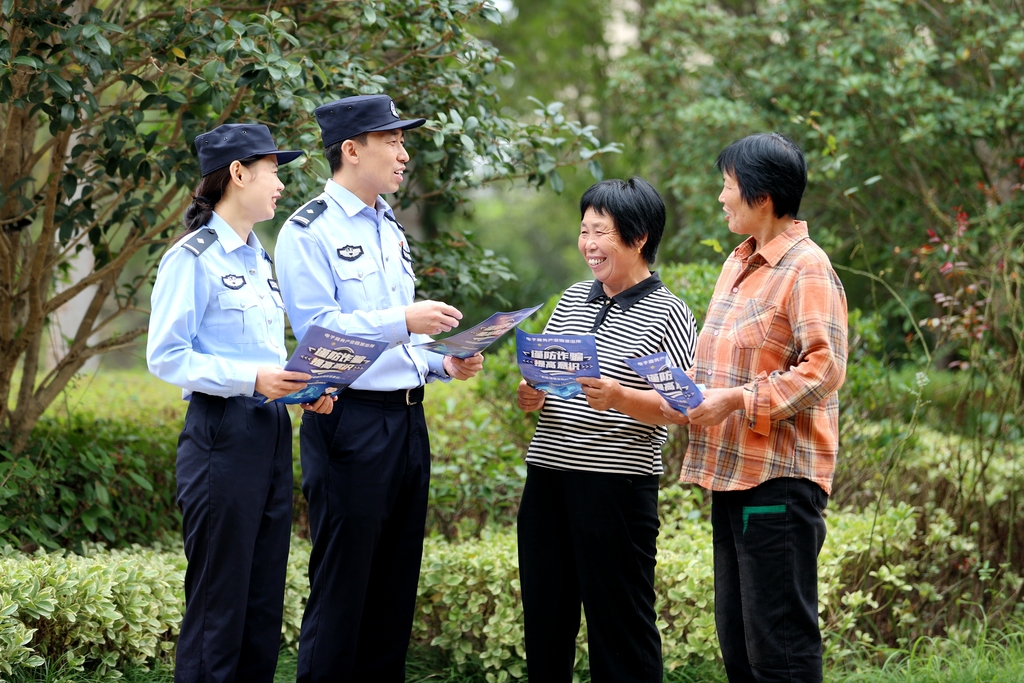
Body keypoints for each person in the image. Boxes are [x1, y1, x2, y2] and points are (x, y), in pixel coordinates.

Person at [274, 94, 484, 683]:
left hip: (406, 422)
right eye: (391, 140)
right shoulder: (306, 231)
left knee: (395, 589)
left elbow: (398, 345)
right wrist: (403, 321)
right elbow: (319, 331)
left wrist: (442, 364)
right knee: (344, 590)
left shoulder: (388, 225)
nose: (403, 152)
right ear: (350, 150)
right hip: (349, 421)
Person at [147, 123, 333, 683]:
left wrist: (301, 387)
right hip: (220, 437)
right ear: (238, 173)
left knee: (261, 603)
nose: (280, 184)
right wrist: (252, 379)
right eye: (274, 170)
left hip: (269, 430)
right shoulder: (192, 258)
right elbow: (166, 356)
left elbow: (265, 356)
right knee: (218, 606)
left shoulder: (259, 258)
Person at [660, 133, 848, 683]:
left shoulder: (806, 267)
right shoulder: (737, 265)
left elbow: (824, 367)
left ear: (762, 197)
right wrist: (671, 389)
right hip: (731, 478)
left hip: (778, 484)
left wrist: (738, 400)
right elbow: (716, 369)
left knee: (778, 649)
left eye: (728, 186)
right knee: (739, 645)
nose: (721, 197)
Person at [516, 177, 698, 683]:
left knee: (621, 629)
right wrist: (531, 394)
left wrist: (623, 398)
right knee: (545, 621)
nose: (588, 244)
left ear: (638, 238)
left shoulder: (669, 312)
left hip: (615, 486)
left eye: (601, 232)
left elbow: (681, 406)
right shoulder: (574, 297)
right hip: (548, 479)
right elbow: (545, 377)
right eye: (584, 230)